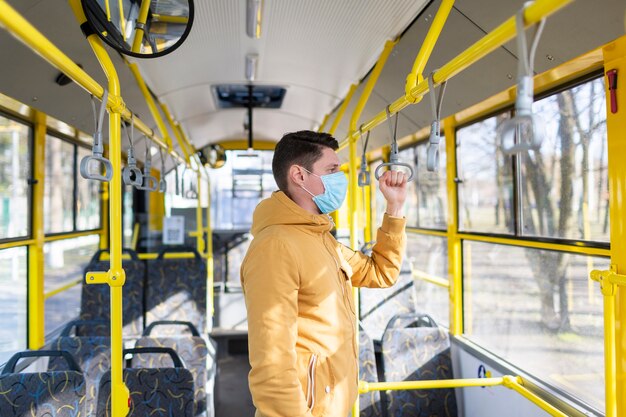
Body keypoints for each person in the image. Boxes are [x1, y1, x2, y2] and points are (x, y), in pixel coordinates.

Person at [241, 130, 407, 417]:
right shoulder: (276, 246)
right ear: (299, 175)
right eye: (331, 170)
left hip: (332, 404)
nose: (339, 180)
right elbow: (272, 360)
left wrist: (394, 207)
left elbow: (380, 273)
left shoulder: (320, 238)